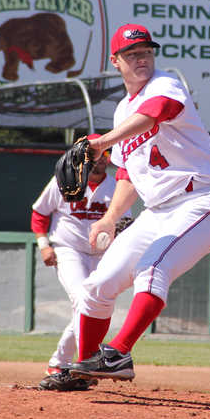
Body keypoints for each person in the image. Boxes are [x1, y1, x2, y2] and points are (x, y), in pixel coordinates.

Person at [62, 23, 210, 382]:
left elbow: (158, 111)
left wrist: (102, 141)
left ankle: (118, 354)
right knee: (97, 287)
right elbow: (128, 175)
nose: (142, 58)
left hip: (200, 199)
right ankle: (85, 368)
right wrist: (109, 218)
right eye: (132, 54)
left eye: (146, 52)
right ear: (116, 61)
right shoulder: (123, 111)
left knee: (152, 269)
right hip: (157, 212)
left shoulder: (165, 84)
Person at [31, 133, 129, 391]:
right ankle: (60, 363)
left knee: (92, 305)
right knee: (83, 301)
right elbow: (40, 213)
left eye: (103, 155)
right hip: (69, 250)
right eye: (93, 155)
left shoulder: (118, 186)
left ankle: (70, 364)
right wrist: (44, 246)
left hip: (102, 255)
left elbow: (125, 223)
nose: (98, 160)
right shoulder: (66, 179)